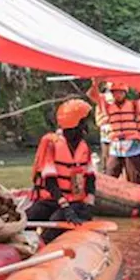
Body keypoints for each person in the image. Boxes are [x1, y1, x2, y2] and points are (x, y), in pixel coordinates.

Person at [26, 99, 95, 243]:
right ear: (75, 123)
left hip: (75, 202)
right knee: (31, 215)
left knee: (57, 220)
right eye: (84, 122)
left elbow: (90, 178)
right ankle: (25, 245)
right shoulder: (52, 144)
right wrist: (64, 206)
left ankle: (45, 244)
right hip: (53, 198)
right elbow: (50, 182)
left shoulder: (84, 147)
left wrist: (89, 203)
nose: (86, 127)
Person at [89, 79, 140, 183]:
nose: (117, 95)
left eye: (120, 92)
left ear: (125, 93)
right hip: (116, 145)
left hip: (131, 144)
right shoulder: (108, 106)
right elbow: (92, 95)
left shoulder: (134, 105)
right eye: (114, 93)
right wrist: (95, 82)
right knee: (110, 173)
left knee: (134, 176)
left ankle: (137, 191)